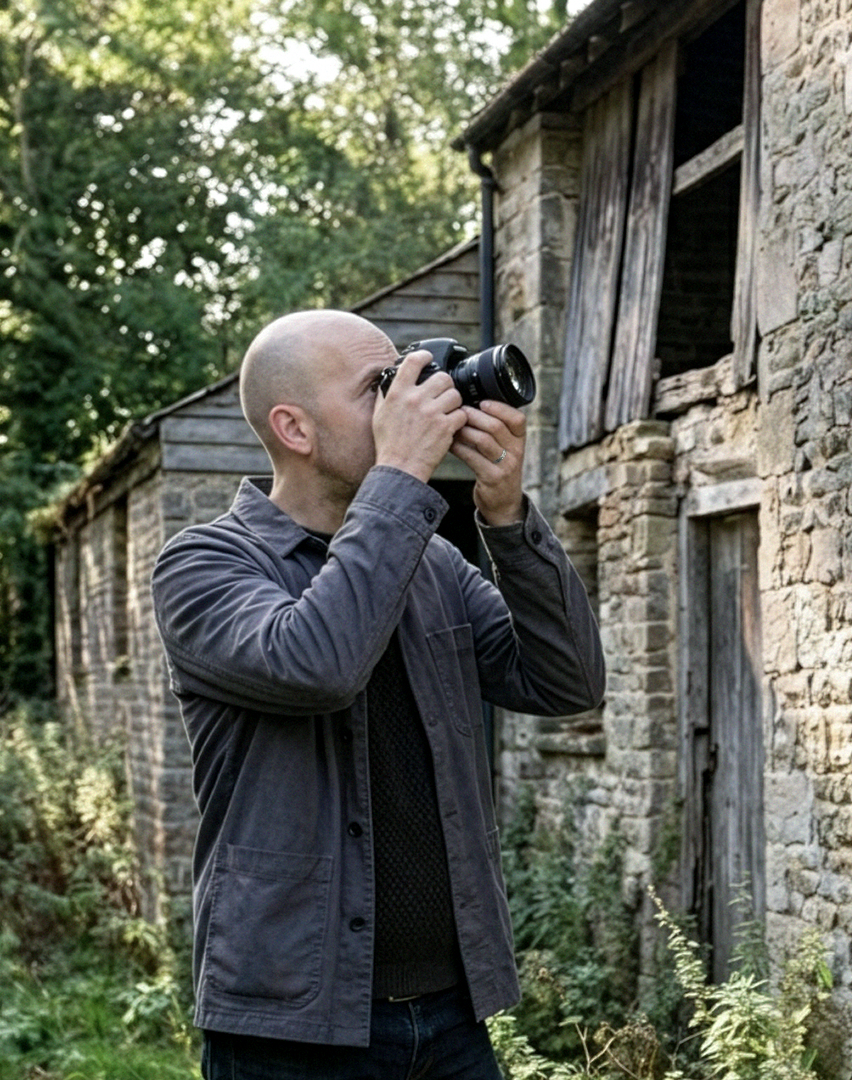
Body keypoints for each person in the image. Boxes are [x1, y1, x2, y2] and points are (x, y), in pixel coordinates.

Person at [151, 309, 606, 1079]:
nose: (409, 399)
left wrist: (502, 515)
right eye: (377, 387)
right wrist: (399, 478)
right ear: (294, 429)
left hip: (454, 1016)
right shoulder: (202, 565)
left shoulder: (430, 562)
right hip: (292, 1029)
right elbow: (317, 663)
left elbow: (564, 680)